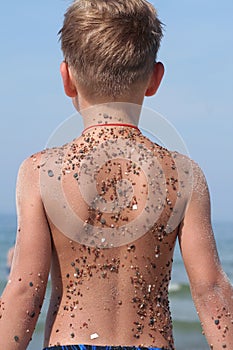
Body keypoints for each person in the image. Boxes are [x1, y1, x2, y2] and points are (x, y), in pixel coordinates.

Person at [0, 0, 232, 349]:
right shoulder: (184, 175)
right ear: (155, 79)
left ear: (67, 79)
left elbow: (24, 293)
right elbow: (212, 291)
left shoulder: (41, 172)